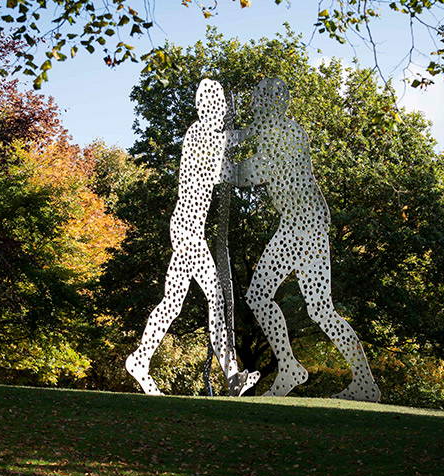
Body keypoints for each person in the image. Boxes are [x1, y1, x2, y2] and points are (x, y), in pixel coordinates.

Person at [234, 78, 381, 401]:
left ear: (276, 103)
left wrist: (220, 170)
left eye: (261, 101)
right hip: (300, 223)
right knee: (318, 308)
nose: (256, 107)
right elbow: (246, 140)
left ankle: (292, 368)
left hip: (302, 225)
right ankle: (356, 380)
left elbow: (257, 171)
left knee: (265, 297)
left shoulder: (286, 133)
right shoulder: (273, 132)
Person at [125, 79, 258, 396]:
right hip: (187, 229)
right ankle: (231, 374)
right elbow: (228, 171)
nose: (221, 111)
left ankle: (141, 359)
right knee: (213, 299)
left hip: (189, 229)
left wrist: (243, 135)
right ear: (206, 108)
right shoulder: (200, 135)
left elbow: (229, 158)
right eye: (218, 107)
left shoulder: (210, 137)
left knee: (174, 302)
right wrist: (252, 133)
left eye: (223, 108)